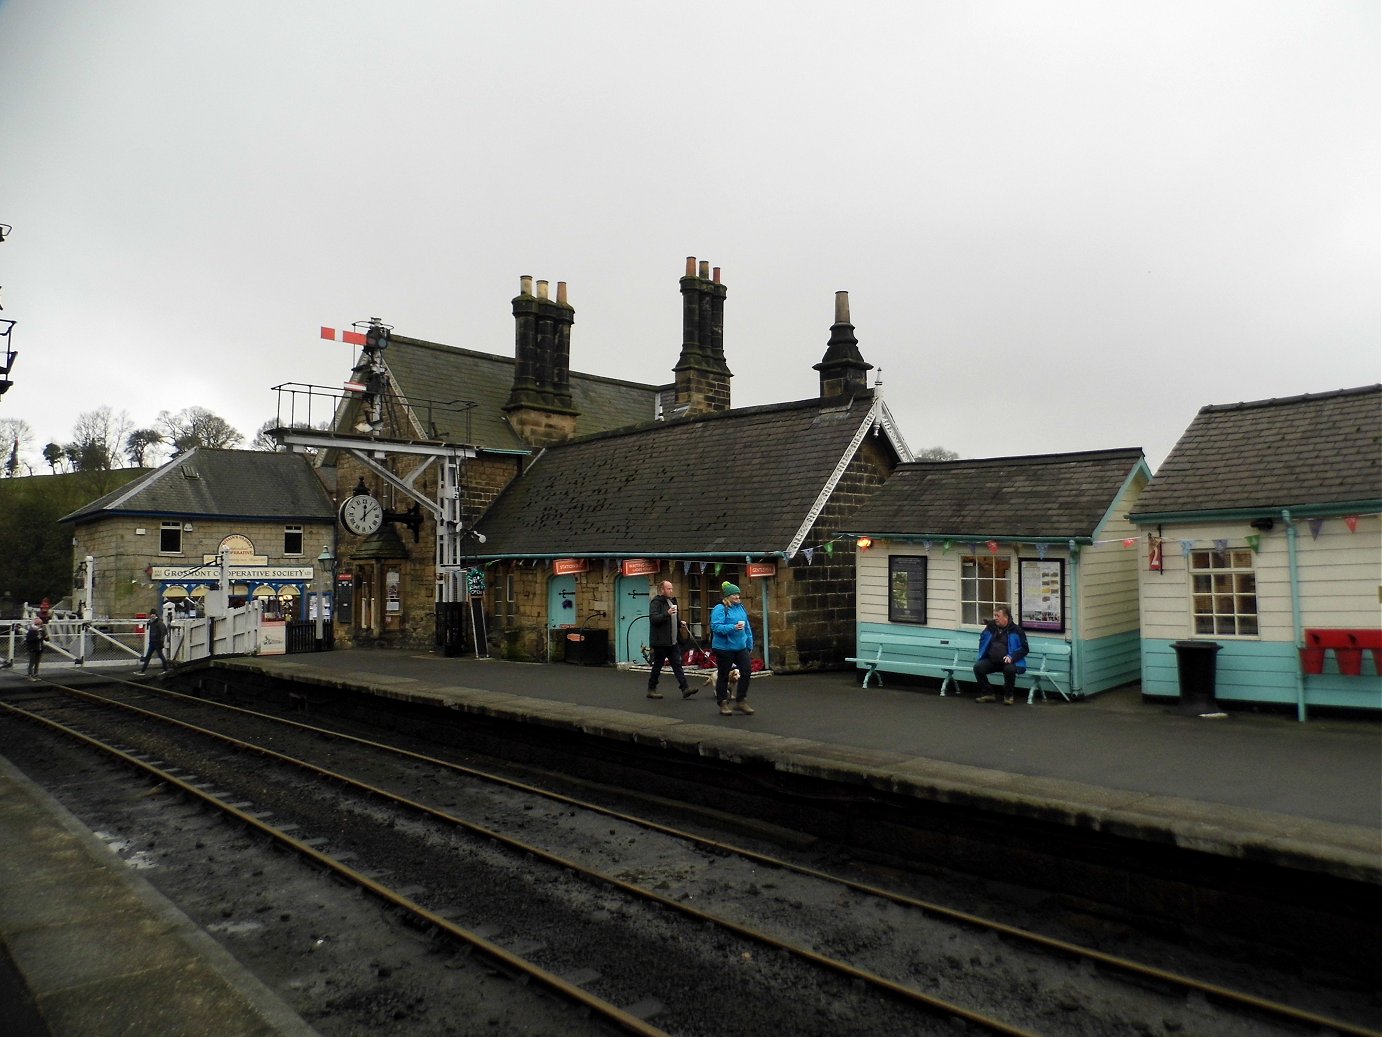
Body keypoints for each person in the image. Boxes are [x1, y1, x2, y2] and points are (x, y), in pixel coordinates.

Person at [710, 582, 755, 716]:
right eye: (734, 594)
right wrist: (733, 627)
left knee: (746, 671)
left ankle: (741, 700)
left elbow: (747, 627)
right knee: (723, 675)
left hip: (740, 647)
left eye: (738, 594)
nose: (737, 597)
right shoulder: (720, 608)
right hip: (724, 648)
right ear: (727, 596)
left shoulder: (740, 607)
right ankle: (723, 702)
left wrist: (749, 643)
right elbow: (716, 627)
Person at [973, 606, 1029, 705]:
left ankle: (1008, 696)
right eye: (994, 615)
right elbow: (982, 639)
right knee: (978, 667)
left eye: (998, 616)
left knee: (1010, 670)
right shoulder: (991, 627)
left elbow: (1024, 648)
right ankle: (988, 693)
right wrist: (984, 652)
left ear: (1006, 617)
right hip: (992, 660)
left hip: (1008, 661)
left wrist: (1012, 657)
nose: (995, 618)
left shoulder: (1016, 630)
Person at [647, 580, 693, 699]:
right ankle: (651, 689)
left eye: (671, 588)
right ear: (662, 590)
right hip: (660, 641)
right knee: (658, 665)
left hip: (672, 640)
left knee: (677, 664)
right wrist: (666, 614)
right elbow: (653, 619)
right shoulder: (656, 602)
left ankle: (685, 688)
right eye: (668, 589)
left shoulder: (672, 601)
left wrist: (679, 623)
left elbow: (673, 619)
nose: (671, 591)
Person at [138, 610, 171, 674]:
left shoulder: (159, 622)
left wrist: (161, 640)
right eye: (151, 614)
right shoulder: (151, 622)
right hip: (152, 642)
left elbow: (163, 632)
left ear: (156, 615)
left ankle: (166, 669)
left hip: (157, 642)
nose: (152, 615)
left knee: (160, 656)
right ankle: (142, 670)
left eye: (153, 614)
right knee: (148, 656)